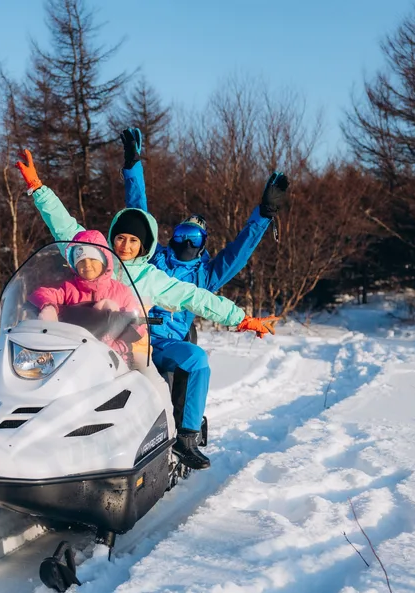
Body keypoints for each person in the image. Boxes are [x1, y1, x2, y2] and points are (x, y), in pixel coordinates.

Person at [15, 149, 278, 470]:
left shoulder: (155, 276)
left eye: (133, 241)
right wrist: (38, 188)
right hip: (95, 340)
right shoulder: (99, 258)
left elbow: (199, 298)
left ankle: (184, 435)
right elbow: (66, 228)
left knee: (194, 360)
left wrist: (243, 319)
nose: (125, 245)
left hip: (146, 344)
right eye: (121, 238)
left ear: (145, 246)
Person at [117, 128, 290, 467]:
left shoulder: (206, 274)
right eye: (181, 233)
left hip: (164, 345)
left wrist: (264, 214)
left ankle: (186, 437)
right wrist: (133, 167)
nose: (185, 241)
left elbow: (239, 251)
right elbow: (138, 214)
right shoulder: (153, 257)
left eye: (193, 236)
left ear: (202, 242)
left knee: (196, 359)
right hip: (126, 332)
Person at [29, 229, 142, 359]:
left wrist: (130, 325)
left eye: (93, 259)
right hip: (73, 354)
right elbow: (42, 293)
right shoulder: (69, 288)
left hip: (113, 357)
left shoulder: (122, 291)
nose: (87, 265)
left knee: (144, 374)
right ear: (74, 265)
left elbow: (139, 325)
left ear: (104, 260)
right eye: (81, 261)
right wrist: (48, 307)